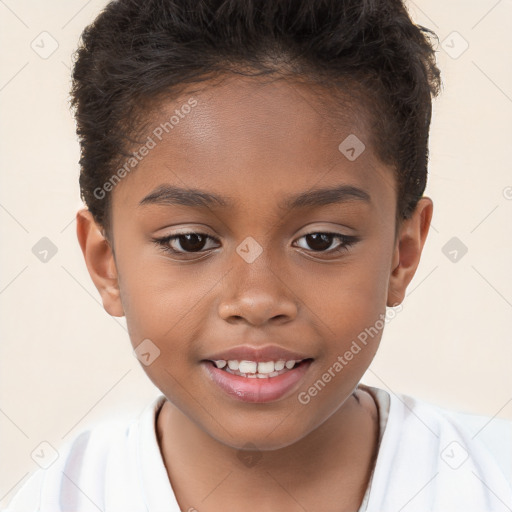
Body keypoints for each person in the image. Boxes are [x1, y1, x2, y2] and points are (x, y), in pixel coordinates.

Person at [4, 0, 512, 510]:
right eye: (190, 241)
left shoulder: (491, 481)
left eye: (321, 240)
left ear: (402, 256)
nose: (256, 299)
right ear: (106, 262)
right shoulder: (58, 498)